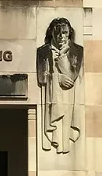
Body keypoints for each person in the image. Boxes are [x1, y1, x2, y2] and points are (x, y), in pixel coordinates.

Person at [36, 17, 84, 155]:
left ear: (69, 33)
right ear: (52, 33)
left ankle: (65, 145)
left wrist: (62, 57)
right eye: (57, 33)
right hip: (52, 96)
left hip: (69, 96)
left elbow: (72, 75)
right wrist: (57, 78)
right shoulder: (43, 51)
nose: (61, 37)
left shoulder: (77, 50)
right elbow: (41, 77)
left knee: (67, 120)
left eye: (65, 33)